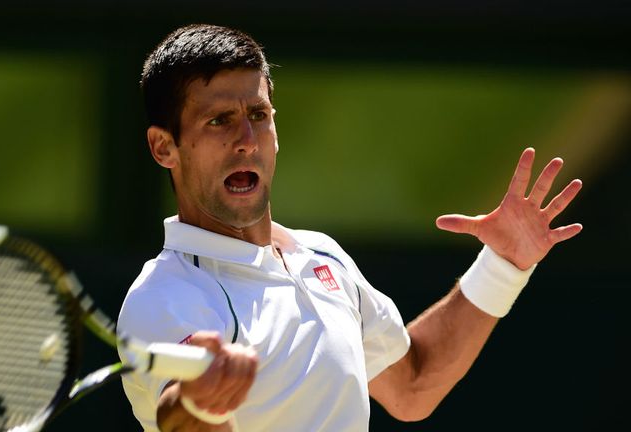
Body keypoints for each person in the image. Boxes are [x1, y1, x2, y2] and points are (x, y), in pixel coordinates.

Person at [116, 24, 583, 432]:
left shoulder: (322, 256)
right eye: (220, 120)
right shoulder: (164, 296)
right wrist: (201, 401)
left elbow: (414, 385)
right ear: (164, 148)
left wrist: (503, 264)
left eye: (258, 115)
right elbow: (178, 415)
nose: (247, 141)